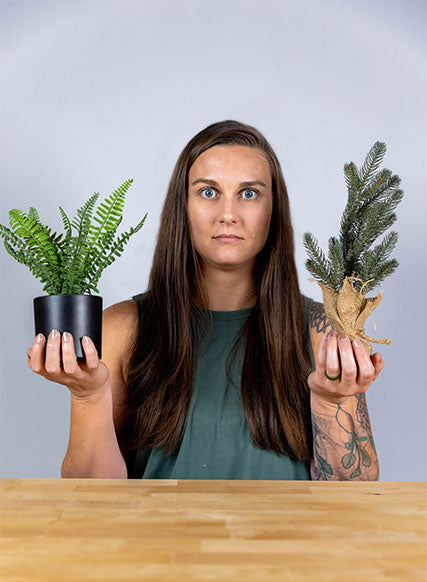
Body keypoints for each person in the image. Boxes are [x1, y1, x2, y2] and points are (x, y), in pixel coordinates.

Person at [26, 120, 383, 480]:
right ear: (183, 206)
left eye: (249, 193)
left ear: (273, 210)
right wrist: (88, 396)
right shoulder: (121, 328)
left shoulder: (326, 332)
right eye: (209, 192)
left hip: (285, 522)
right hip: (157, 522)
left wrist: (331, 402)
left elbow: (355, 494)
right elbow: (91, 496)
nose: (228, 215)